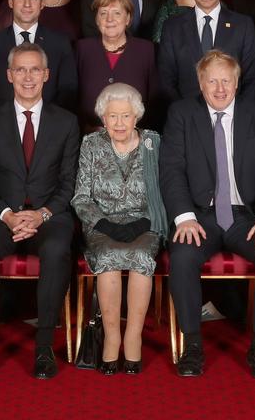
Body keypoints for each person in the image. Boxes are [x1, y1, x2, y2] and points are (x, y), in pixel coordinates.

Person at [160, 50, 255, 379]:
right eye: (212, 81)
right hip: (199, 216)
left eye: (226, 81)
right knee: (183, 256)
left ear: (236, 82)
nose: (220, 89)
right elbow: (171, 170)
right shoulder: (182, 113)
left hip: (247, 216)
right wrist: (183, 216)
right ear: (200, 84)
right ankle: (192, 344)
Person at [0, 44, 81, 379]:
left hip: (50, 215)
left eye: (35, 70)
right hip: (3, 215)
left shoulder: (66, 122)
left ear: (46, 75)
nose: (28, 77)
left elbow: (69, 182)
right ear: (9, 75)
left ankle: (44, 345)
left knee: (57, 249)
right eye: (20, 70)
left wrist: (42, 214)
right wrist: (6, 214)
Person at [72, 83, 165, 375]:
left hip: (146, 223)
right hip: (101, 225)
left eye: (126, 116)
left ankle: (133, 337)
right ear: (104, 118)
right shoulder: (91, 144)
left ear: (137, 116)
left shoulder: (154, 144)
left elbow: (166, 194)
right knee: (109, 260)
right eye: (113, 116)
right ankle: (112, 338)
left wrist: (143, 223)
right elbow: (81, 197)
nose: (120, 123)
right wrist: (104, 224)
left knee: (140, 259)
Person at [158, 0, 255, 101]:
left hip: (233, 117)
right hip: (186, 117)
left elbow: (252, 79)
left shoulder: (243, 25)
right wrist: (182, 114)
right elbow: (166, 80)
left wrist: (240, 117)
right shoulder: (172, 27)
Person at [0, 0, 77, 114]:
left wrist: (49, 124)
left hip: (50, 129)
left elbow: (68, 91)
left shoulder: (60, 43)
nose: (27, 4)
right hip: (0, 128)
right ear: (11, 2)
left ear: (42, 3)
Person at [74, 0, 161, 130]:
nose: (109, 19)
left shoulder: (147, 50)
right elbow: (72, 97)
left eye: (117, 13)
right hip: (88, 135)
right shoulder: (82, 48)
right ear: (97, 19)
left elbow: (155, 101)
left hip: (135, 137)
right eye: (103, 13)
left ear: (127, 19)